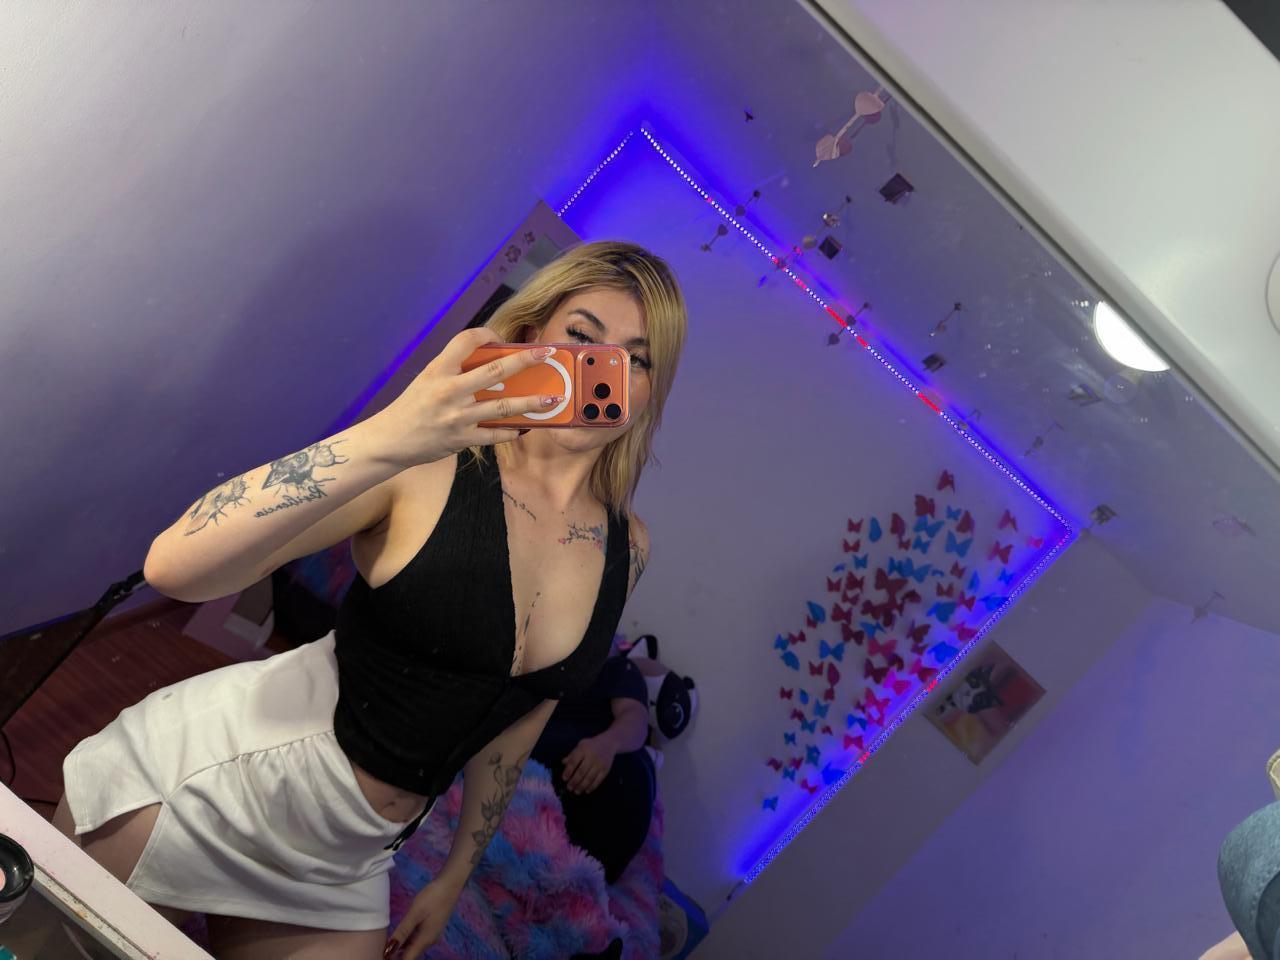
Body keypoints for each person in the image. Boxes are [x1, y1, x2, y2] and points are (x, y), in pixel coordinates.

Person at [51, 241, 688, 960]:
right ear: (530, 334)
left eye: (636, 360)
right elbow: (174, 567)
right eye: (581, 337)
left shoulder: (627, 547)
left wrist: (455, 875)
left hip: (349, 862)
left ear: (649, 391)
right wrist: (393, 434)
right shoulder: (431, 463)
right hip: (213, 788)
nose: (602, 368)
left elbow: (521, 721)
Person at [531, 652, 657, 886]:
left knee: (634, 775)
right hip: (534, 759)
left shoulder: (619, 669)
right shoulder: (548, 660)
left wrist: (608, 744)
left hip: (596, 769)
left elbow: (635, 719)